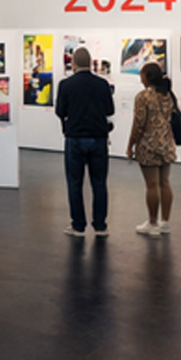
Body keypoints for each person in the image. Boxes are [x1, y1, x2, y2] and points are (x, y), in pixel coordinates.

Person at [54, 47, 114, 237]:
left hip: (75, 138)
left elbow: (60, 111)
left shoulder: (66, 85)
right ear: (90, 63)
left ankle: (78, 226)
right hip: (99, 138)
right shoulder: (102, 84)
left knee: (75, 183)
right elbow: (110, 110)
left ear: (73, 64)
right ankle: (100, 226)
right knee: (99, 183)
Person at [126, 62, 177, 237]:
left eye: (141, 76)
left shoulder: (143, 97)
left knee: (152, 185)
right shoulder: (168, 95)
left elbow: (139, 124)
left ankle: (152, 223)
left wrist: (130, 145)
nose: (140, 79)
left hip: (148, 145)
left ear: (147, 77)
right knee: (165, 183)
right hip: (166, 144)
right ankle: (165, 222)